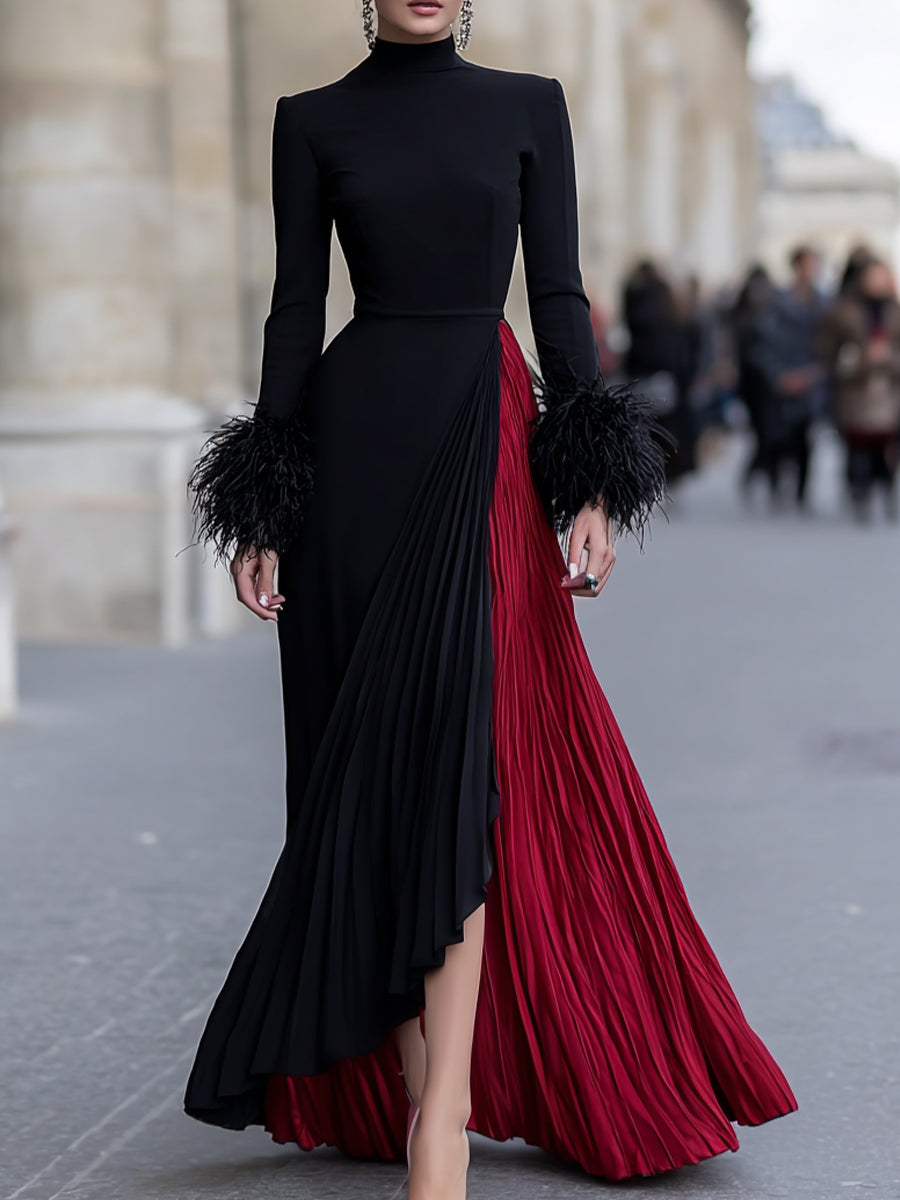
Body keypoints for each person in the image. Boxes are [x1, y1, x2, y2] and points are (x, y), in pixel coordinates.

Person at [184, 4, 797, 1196]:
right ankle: (422, 1088)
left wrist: (589, 480)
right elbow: (295, 311)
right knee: (357, 782)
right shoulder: (309, 121)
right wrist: (262, 503)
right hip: (350, 459)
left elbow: (559, 297)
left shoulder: (529, 107)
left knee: (458, 763)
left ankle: (445, 1118)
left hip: (483, 444)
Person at [821, 257, 900, 521]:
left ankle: (885, 491)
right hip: (855, 391)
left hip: (887, 392)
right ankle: (859, 493)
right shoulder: (844, 311)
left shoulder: (894, 311)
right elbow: (828, 349)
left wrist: (888, 357)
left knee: (885, 451)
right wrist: (858, 358)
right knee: (858, 449)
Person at [622, 261, 700, 484]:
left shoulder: (637, 304)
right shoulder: (668, 313)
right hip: (665, 377)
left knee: (648, 427)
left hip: (645, 375)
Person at [769, 246, 827, 508]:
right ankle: (776, 483)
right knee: (779, 436)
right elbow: (764, 342)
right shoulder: (778, 301)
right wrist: (779, 374)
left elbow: (830, 343)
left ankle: (802, 491)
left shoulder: (824, 303)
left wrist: (814, 372)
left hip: (811, 378)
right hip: (782, 378)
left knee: (806, 437)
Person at [731, 265, 780, 497]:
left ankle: (767, 476)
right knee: (762, 434)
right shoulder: (747, 319)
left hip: (765, 382)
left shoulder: (769, 314)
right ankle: (760, 475)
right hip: (755, 382)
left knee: (768, 433)